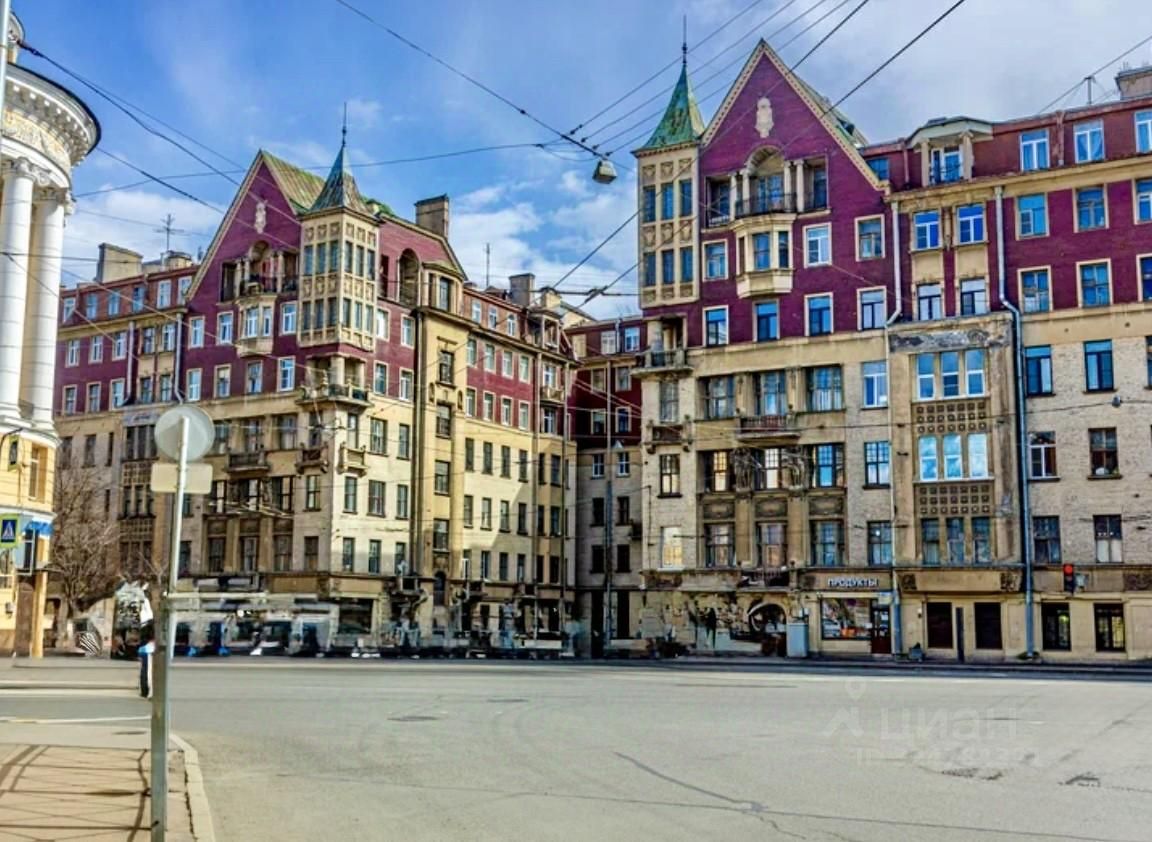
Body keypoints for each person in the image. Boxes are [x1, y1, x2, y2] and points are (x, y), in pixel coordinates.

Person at [138, 623, 154, 699]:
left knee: (144, 671)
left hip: (145, 650)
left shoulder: (143, 648)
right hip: (150, 650)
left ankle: (145, 691)